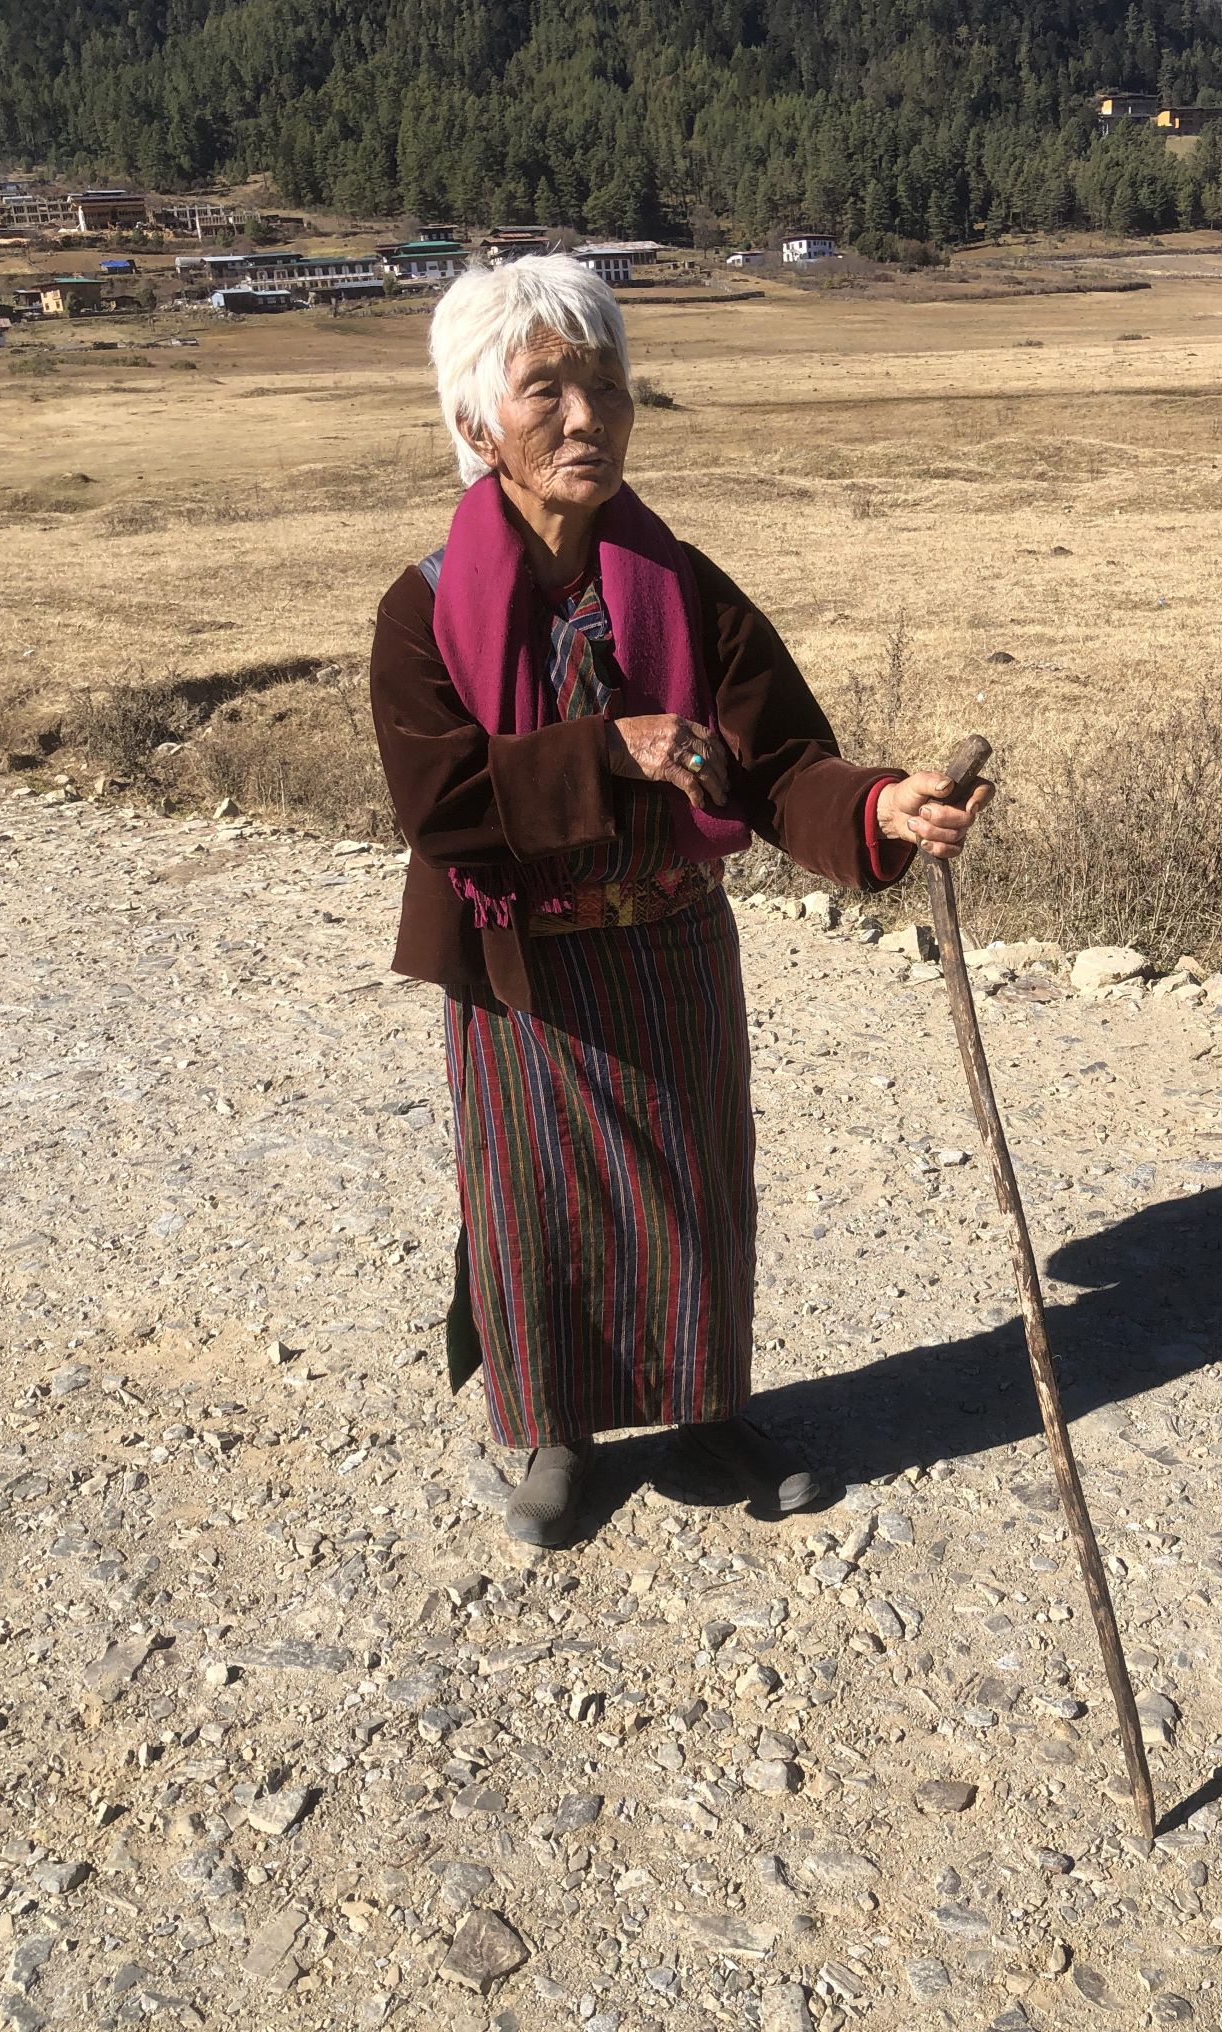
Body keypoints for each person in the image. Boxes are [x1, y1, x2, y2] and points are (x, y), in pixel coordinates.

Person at [370, 254, 992, 1547]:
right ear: (476, 424)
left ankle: (707, 1416)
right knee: (536, 1200)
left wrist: (881, 808)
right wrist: (607, 751)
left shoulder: (684, 587)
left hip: (669, 943)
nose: (588, 417)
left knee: (696, 1188)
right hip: (524, 963)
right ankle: (550, 1433)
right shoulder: (423, 610)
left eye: (607, 385)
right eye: (547, 390)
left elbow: (778, 766)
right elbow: (438, 806)